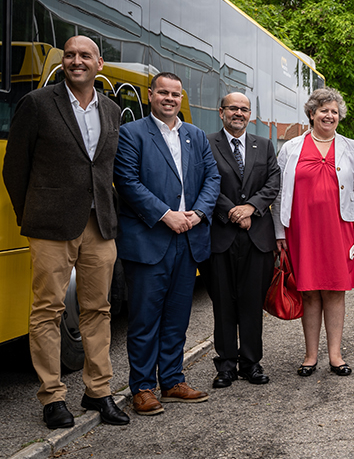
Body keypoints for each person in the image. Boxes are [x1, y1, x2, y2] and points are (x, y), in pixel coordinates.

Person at [2, 35, 129, 429]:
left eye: (85, 56)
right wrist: (35, 217)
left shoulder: (111, 108)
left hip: (99, 225)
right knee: (47, 311)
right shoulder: (38, 104)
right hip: (51, 227)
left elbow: (105, 169)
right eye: (70, 55)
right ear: (63, 62)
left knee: (98, 310)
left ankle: (99, 392)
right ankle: (52, 397)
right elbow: (15, 169)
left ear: (99, 64)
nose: (77, 61)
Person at [114, 72, 221, 415]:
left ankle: (173, 380)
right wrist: (165, 214)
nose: (170, 98)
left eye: (175, 93)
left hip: (188, 239)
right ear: (150, 95)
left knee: (177, 316)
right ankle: (142, 388)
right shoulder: (132, 134)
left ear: (181, 97)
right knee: (145, 318)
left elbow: (212, 178)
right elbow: (127, 182)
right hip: (150, 239)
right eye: (163, 92)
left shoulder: (195, 136)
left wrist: (199, 213)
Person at [274, 88, 354, 378]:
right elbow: (280, 194)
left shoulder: (352, 147)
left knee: (334, 290)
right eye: (323, 110)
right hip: (301, 229)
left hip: (339, 227)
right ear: (312, 113)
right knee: (309, 292)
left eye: (334, 111)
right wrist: (279, 232)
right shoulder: (290, 148)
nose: (329, 115)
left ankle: (335, 355)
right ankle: (310, 355)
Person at [202, 93, 281, 388]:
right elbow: (203, 180)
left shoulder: (265, 145)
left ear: (250, 115)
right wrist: (232, 212)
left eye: (244, 109)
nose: (239, 113)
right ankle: (225, 366)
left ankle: (250, 363)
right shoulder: (206, 143)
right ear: (221, 111)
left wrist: (251, 208)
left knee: (251, 302)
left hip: (257, 237)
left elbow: (273, 181)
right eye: (233, 108)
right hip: (221, 235)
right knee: (223, 303)